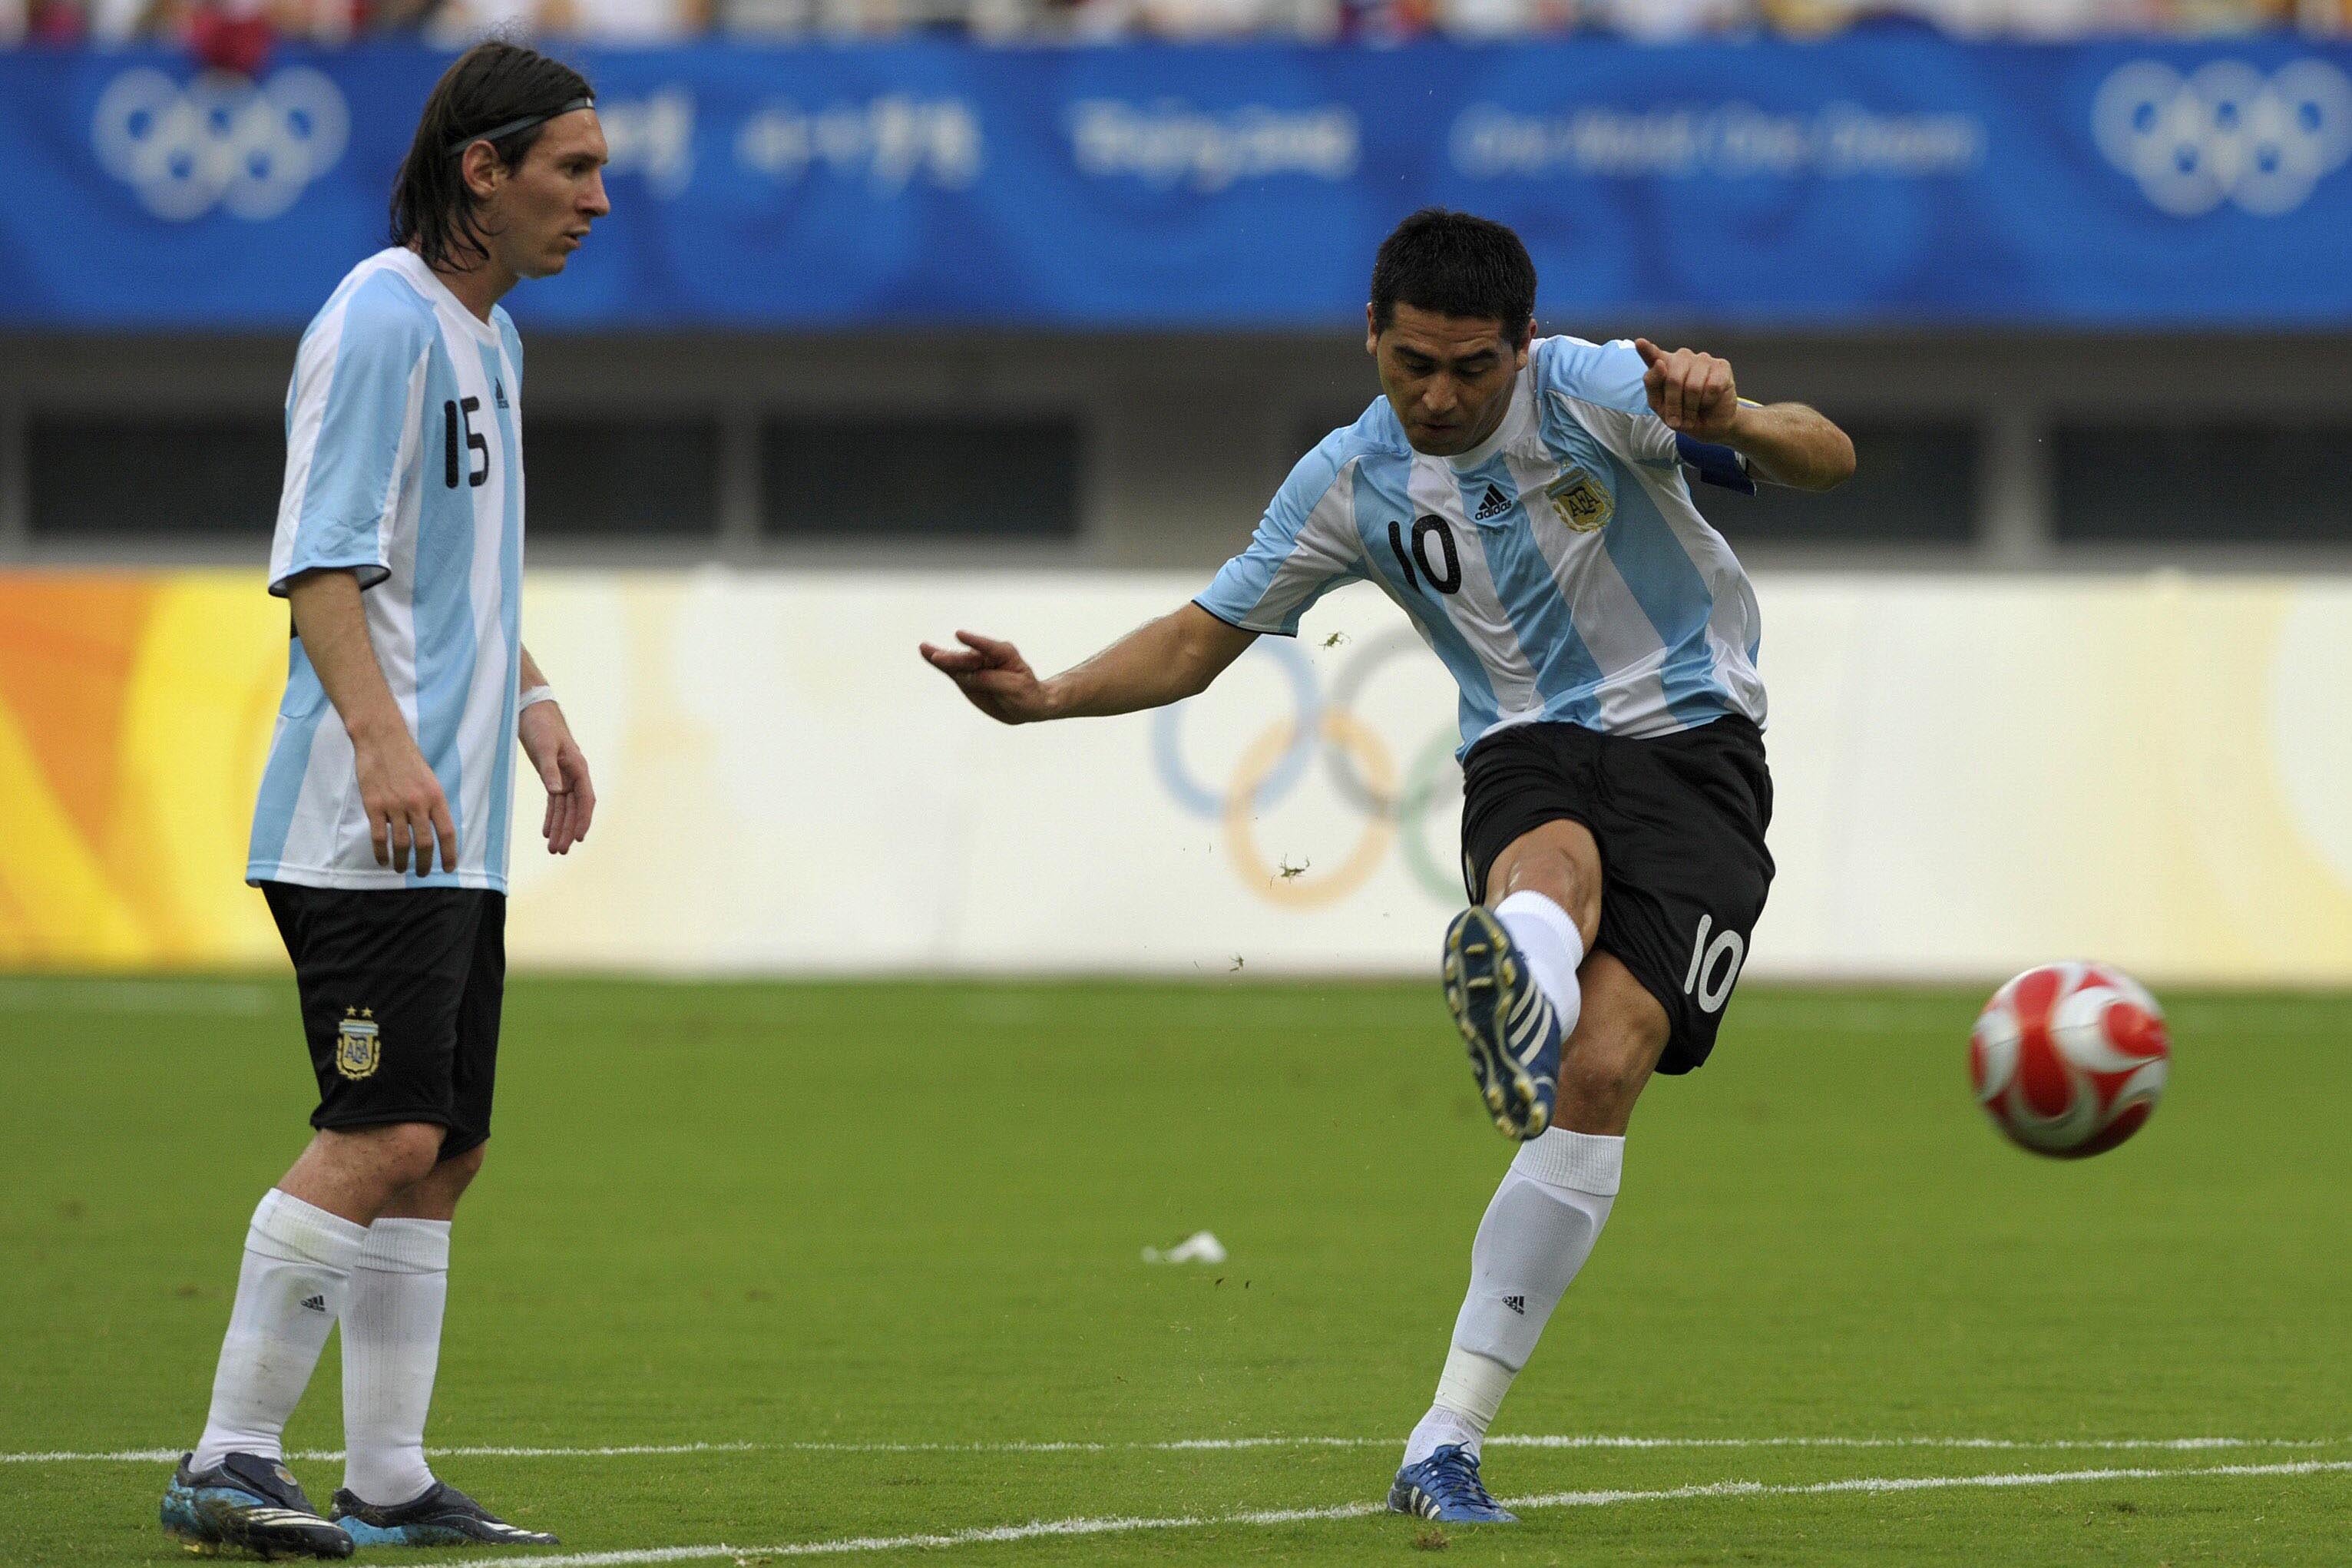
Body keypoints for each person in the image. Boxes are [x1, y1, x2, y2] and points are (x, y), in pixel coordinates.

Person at [921, 207, 1854, 1525]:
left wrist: (1736, 414)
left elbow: (1831, 454)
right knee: (1549, 858)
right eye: (1412, 360)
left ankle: (1445, 1422)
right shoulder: (1349, 481)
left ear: (1523, 350)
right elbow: (1201, 636)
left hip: (1696, 743)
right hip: (1524, 743)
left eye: (1473, 366)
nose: (1439, 392)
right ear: (1371, 335)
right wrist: (1051, 692)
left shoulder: (1599, 390)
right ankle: (1518, 983)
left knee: (1603, 1072)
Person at [160, 41, 608, 1559]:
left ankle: (392, 1478)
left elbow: (458, 570)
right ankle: (227, 1454)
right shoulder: (375, 322)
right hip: (368, 823)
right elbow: (322, 564)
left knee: (446, 1142)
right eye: (572, 170)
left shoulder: (490, 338)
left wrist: (533, 710)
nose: (596, 201)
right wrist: (382, 743)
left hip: (451, 824)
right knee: (383, 1122)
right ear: (479, 171)